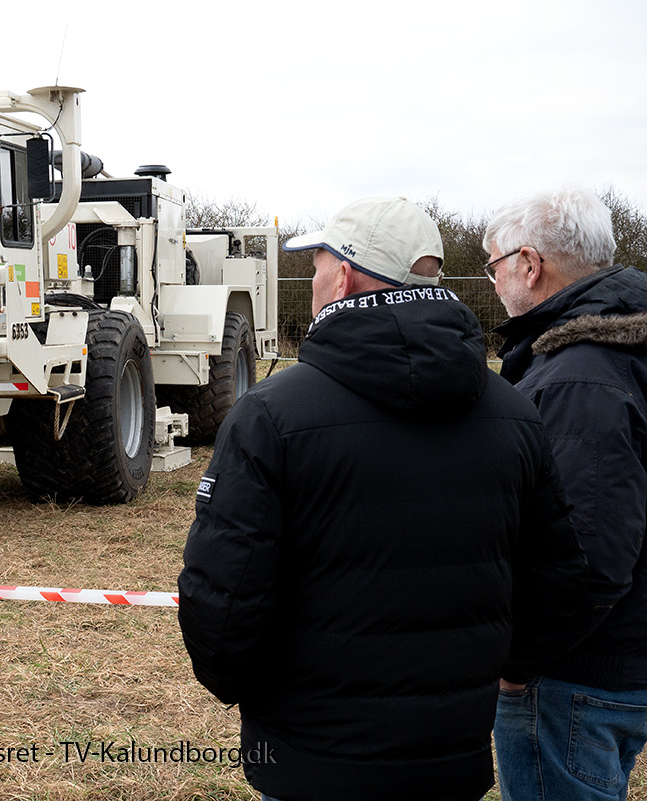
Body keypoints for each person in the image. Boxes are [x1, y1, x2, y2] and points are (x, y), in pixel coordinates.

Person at [177, 197, 590, 801]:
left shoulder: (270, 415)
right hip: (451, 762)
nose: (313, 279)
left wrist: (244, 688)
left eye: (317, 265)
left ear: (343, 277)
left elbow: (222, 598)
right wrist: (510, 670)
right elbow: (558, 582)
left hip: (309, 762)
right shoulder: (514, 412)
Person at [487, 188, 647, 801]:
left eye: (495, 266)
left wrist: (519, 662)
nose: (494, 282)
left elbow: (589, 558)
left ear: (530, 265)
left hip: (576, 675)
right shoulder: (621, 349)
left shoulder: (580, 378)